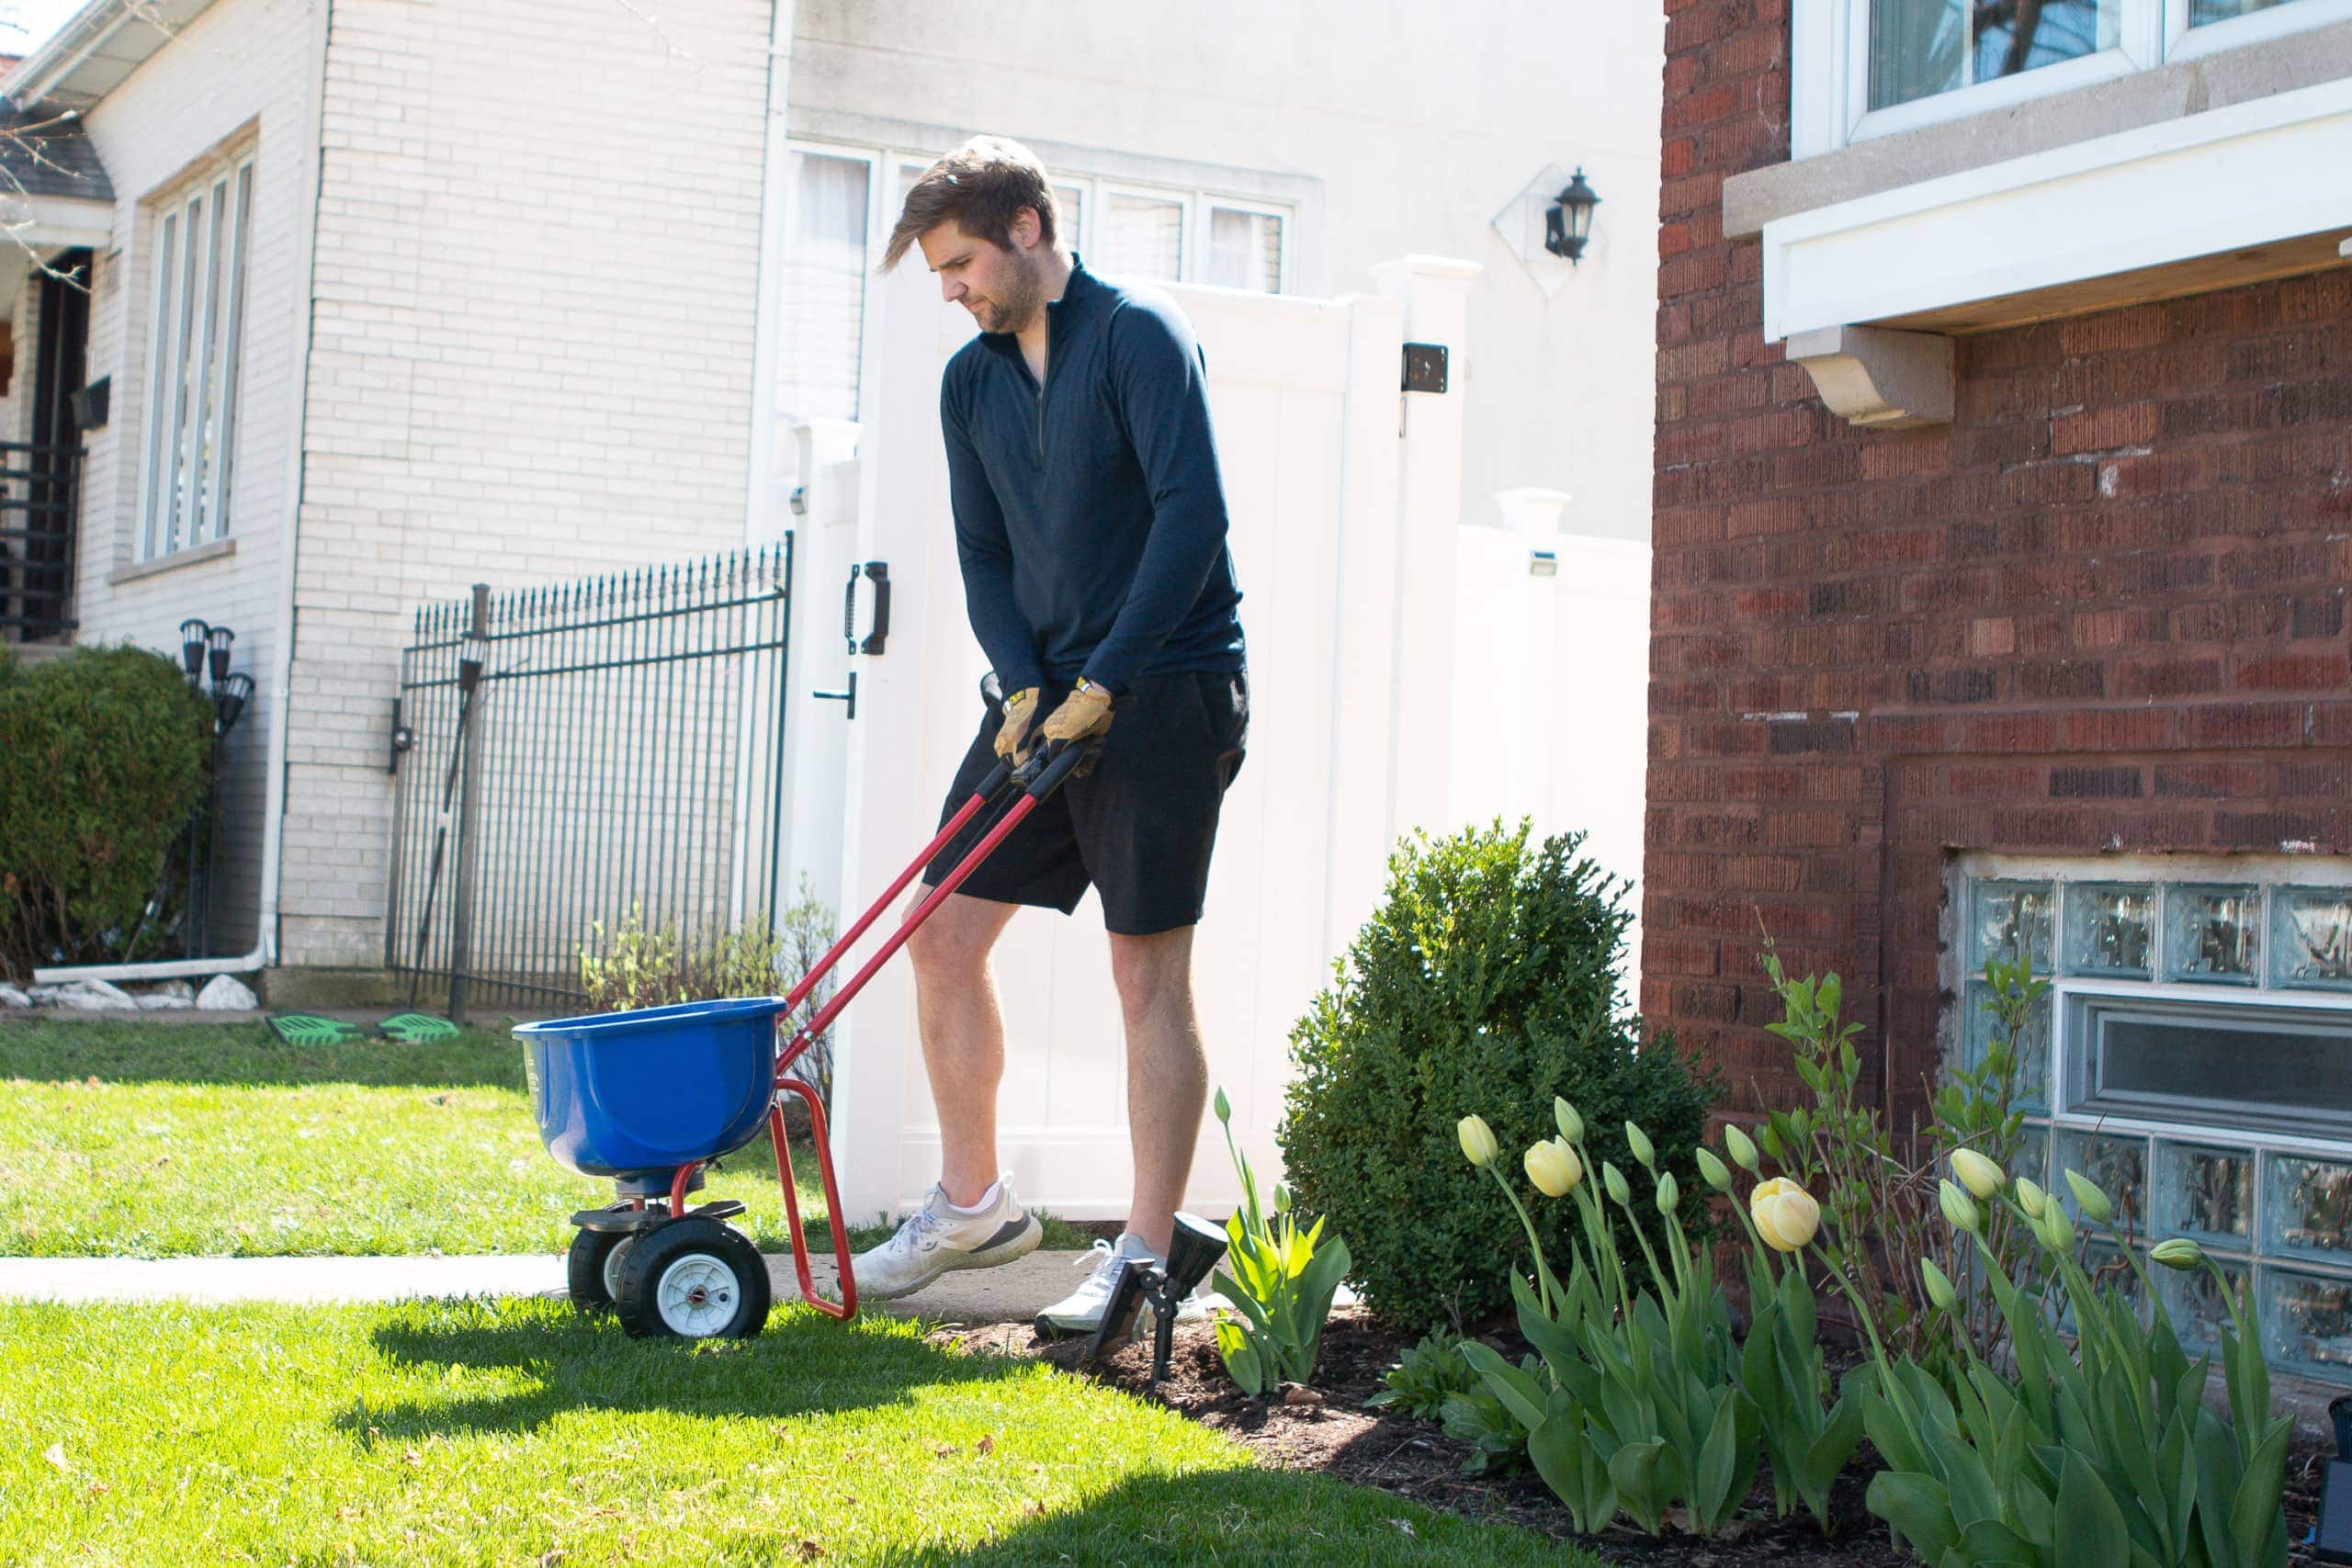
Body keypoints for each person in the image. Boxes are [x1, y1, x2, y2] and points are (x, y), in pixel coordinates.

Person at [852, 135, 1250, 1337]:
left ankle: (1143, 1254)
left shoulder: (1137, 337)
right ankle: (973, 1207)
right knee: (940, 930)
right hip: (1048, 696)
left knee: (1144, 976)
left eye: (962, 261)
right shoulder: (969, 382)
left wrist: (1110, 681)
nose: (953, 288)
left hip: (1168, 685)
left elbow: (1193, 519)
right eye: (938, 271)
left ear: (1030, 225)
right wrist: (1025, 686)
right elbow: (983, 553)